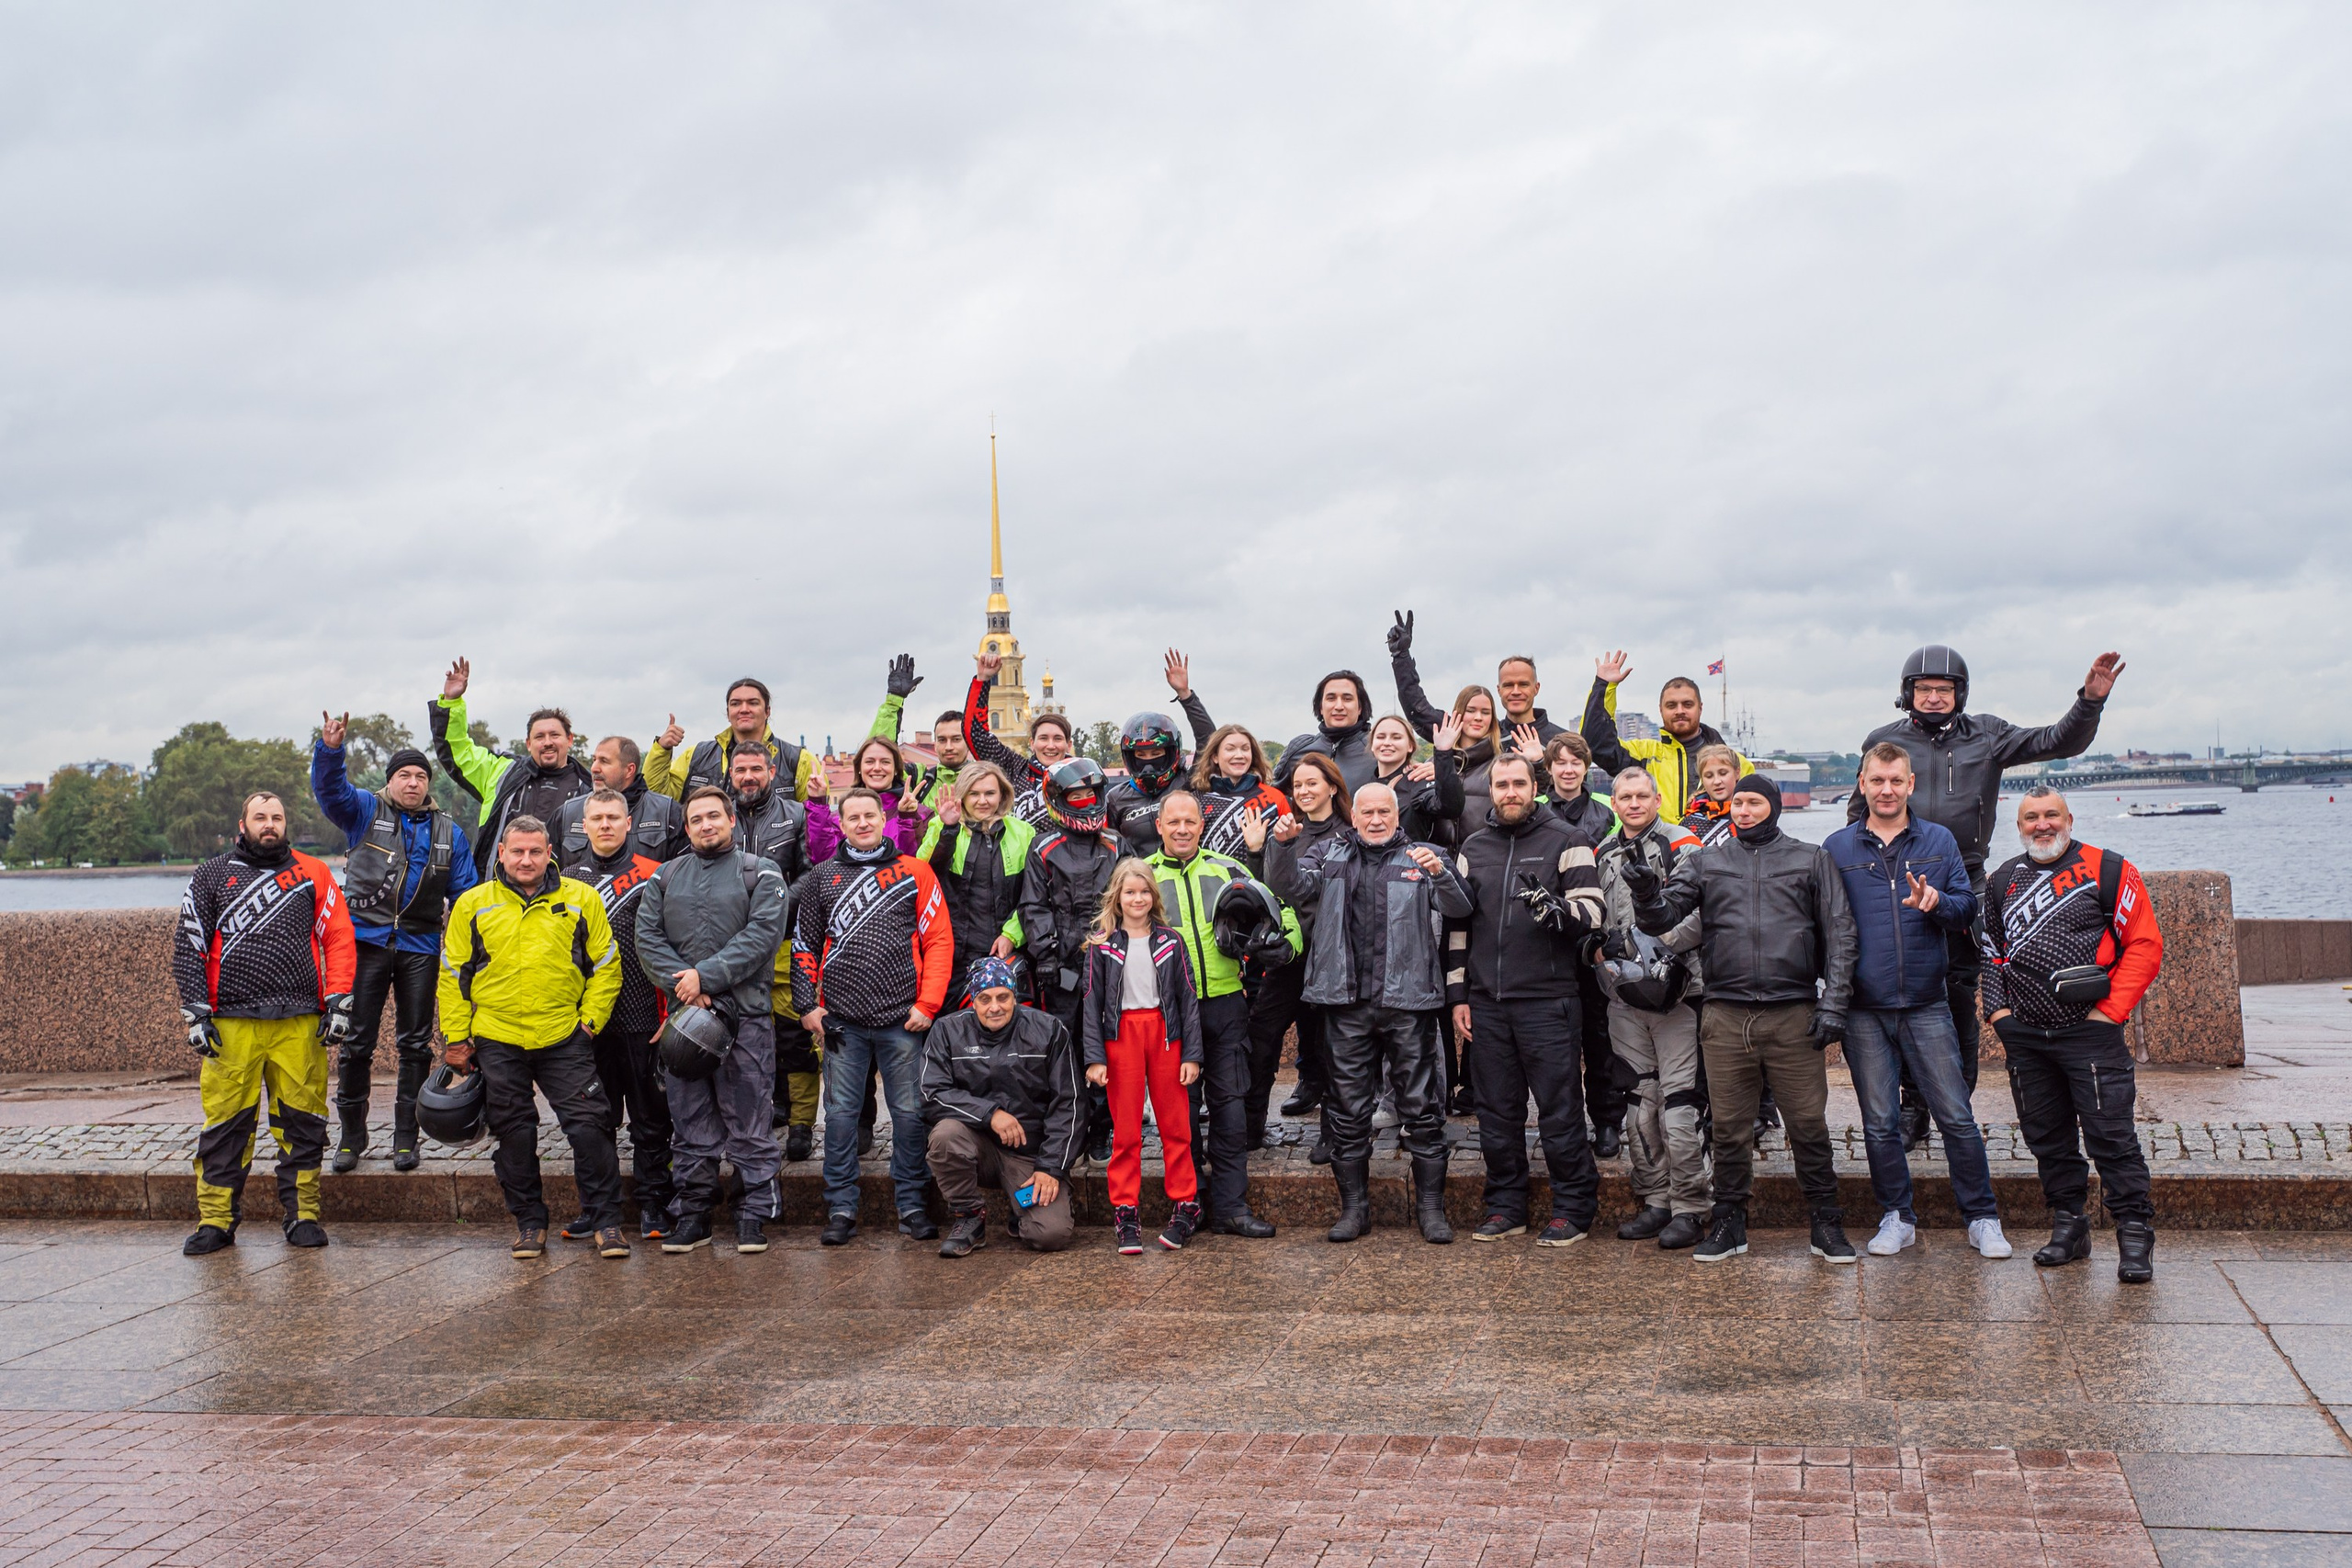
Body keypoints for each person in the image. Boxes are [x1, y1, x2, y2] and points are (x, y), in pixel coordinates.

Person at [1851, 647, 2124, 1142]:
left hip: (1965, 879)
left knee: (1959, 991)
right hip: (1898, 878)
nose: (1934, 698)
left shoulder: (1988, 734)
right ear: (1907, 693)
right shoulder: (1883, 741)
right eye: (1924, 689)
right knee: (1904, 990)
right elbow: (1858, 815)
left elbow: (2056, 741)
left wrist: (2089, 702)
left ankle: (1955, 1098)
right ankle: (1913, 1104)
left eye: (1945, 690)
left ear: (1961, 693)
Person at [1630, 774, 1858, 1266]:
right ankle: (1730, 1220)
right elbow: (1663, 919)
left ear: (1772, 807)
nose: (1744, 810)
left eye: (1754, 802)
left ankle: (1825, 1220)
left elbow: (1840, 933)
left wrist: (1835, 1002)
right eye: (1738, 803)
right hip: (1726, 1014)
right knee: (1729, 1127)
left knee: (1807, 1124)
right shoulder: (1708, 861)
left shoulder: (1810, 858)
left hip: (1792, 1012)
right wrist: (1648, 894)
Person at [1826, 744, 2007, 1260]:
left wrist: (1937, 903)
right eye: (1877, 781)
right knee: (1880, 1121)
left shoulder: (1938, 840)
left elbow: (1966, 907)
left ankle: (1982, 1217)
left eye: (1896, 781)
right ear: (1862, 783)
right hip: (1864, 1007)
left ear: (1910, 786)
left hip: (1927, 1001)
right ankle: (1896, 1216)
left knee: (1955, 1115)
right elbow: (1824, 923)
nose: (1886, 790)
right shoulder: (1838, 848)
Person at [1273, 782, 1472, 1245]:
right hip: (1346, 1003)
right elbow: (1290, 886)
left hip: (1409, 1002)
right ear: (1355, 815)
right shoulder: (1328, 853)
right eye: (1368, 812)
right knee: (1347, 1110)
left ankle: (1431, 1210)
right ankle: (1354, 1210)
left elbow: (1462, 906)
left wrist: (1440, 873)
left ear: (1397, 815)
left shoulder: (1424, 855)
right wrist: (1283, 847)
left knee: (1422, 1110)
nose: (1377, 819)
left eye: (1385, 811)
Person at [1983, 786, 2164, 1283]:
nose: (2042, 825)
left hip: (2091, 1032)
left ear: (2069, 818)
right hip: (2027, 1036)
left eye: (2051, 815)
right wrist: (1998, 1013)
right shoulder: (2002, 881)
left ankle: (2133, 1233)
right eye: (2031, 818)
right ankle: (2070, 1226)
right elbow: (1991, 953)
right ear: (2018, 827)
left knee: (2111, 1137)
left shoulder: (2109, 869)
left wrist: (2109, 1012)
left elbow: (2144, 946)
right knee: (2048, 1138)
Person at [436, 816, 628, 1261]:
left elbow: (606, 967)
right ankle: (529, 1223)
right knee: (514, 1133)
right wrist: (457, 1037)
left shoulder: (581, 899)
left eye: (535, 851)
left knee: (590, 1128)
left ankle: (606, 1222)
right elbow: (453, 975)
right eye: (517, 851)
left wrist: (589, 1023)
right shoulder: (473, 904)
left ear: (549, 853)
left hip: (564, 1035)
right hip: (497, 1038)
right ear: (501, 852)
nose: (526, 860)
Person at [173, 792, 356, 1257]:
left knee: (303, 1123)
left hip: (299, 1020)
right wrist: (195, 1011)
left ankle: (303, 1215)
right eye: (260, 817)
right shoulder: (211, 873)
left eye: (276, 817)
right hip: (230, 1023)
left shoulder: (313, 872)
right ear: (243, 823)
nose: (269, 824)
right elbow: (188, 943)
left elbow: (337, 937)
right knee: (226, 1127)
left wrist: (338, 1003)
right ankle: (215, 1221)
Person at [1446, 754, 1606, 1247]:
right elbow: (1458, 926)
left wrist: (1555, 908)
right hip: (1487, 1002)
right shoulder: (1474, 846)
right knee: (1496, 1112)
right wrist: (1458, 995)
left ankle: (1575, 1208)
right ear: (1491, 790)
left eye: (1519, 783)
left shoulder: (1567, 839)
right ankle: (1506, 1205)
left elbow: (1594, 915)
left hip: (1548, 1001)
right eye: (1501, 784)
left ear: (1534, 786)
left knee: (1559, 1110)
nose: (1510, 792)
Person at [310, 715, 477, 1175]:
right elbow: (330, 792)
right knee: (356, 1043)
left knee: (416, 1045)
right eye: (404, 774)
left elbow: (465, 897)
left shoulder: (449, 832)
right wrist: (330, 751)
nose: (414, 782)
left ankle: (407, 1139)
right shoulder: (364, 811)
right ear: (390, 781)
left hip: (420, 947)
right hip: (364, 941)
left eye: (421, 775)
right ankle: (351, 1137)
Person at [793, 787, 956, 1246]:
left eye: (870, 815)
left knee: (908, 1115)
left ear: (883, 819)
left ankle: (912, 1204)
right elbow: (804, 944)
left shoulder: (915, 872)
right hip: (841, 1020)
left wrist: (927, 1005)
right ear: (841, 824)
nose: (863, 823)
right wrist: (808, 1006)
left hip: (902, 1019)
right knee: (841, 1117)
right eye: (853, 817)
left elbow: (939, 941)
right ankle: (841, 1207)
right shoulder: (823, 877)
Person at [637, 785, 791, 1254]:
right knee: (690, 1121)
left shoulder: (762, 873)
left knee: (750, 1119)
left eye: (713, 817)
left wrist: (704, 977)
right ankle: (695, 1213)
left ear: (731, 822)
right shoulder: (665, 877)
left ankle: (752, 1213)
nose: (706, 825)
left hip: (745, 1020)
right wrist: (685, 987)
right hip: (686, 1021)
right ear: (687, 828)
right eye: (696, 819)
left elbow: (763, 936)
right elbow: (648, 938)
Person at [1149, 791, 1295, 1237]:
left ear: (1200, 825)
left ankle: (1232, 1206)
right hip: (1170, 1011)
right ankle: (1188, 1207)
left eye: (1189, 822)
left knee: (1231, 1112)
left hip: (1226, 1004)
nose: (1181, 829)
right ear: (1159, 826)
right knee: (1182, 1116)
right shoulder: (1141, 876)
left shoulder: (1225, 869)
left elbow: (1281, 912)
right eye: (1172, 822)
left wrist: (1286, 945)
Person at [1592, 769, 1710, 1248]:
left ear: (1658, 798)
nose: (1634, 803)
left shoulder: (1684, 844)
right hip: (1623, 997)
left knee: (1680, 1107)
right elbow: (1598, 915)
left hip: (1678, 993)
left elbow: (1702, 913)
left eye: (1643, 796)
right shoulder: (1604, 851)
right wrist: (1599, 948)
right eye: (1626, 797)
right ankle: (1656, 1198)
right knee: (1639, 1104)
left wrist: (1653, 950)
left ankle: (1691, 1205)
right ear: (1614, 802)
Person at [560, 788, 674, 1242]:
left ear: (629, 824)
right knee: (593, 1123)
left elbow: (670, 946)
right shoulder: (564, 879)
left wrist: (672, 1010)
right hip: (585, 1024)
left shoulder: (654, 876)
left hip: (643, 1015)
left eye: (613, 817)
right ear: (583, 826)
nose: (605, 825)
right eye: (597, 818)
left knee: (651, 1119)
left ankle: (654, 1205)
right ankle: (596, 1208)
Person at [1082, 861, 1205, 1253]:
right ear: (1117, 897)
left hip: (1165, 1035)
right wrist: (1095, 1057)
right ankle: (1126, 1211)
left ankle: (1186, 1204)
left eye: (1145, 891)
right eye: (1130, 892)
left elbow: (1188, 999)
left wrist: (1193, 1054)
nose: (1138, 899)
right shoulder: (1102, 944)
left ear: (1154, 896)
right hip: (1122, 1037)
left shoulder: (1171, 940)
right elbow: (1091, 1002)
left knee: (1175, 1124)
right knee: (1127, 1130)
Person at [922, 957, 1083, 1257]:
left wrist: (1050, 1167)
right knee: (945, 1135)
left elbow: (1070, 1104)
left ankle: (1020, 1206)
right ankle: (969, 1217)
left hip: (1031, 1154)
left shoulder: (1048, 1030)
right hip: (976, 1145)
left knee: (1050, 1235)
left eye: (1003, 997)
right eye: (985, 999)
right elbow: (931, 1094)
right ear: (973, 1000)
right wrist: (990, 1114)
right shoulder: (946, 1031)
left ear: (1015, 995)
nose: (994, 1007)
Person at [1020, 757, 1122, 1163]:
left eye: (1090, 794)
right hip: (1059, 968)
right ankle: (1067, 1131)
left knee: (1107, 1050)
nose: (1085, 801)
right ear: (1060, 800)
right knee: (1062, 1052)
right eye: (1075, 795)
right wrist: (1044, 956)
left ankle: (1101, 1130)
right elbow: (1033, 904)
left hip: (1109, 964)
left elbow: (1129, 895)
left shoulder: (1115, 842)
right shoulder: (1044, 846)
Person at [724, 747, 815, 1160]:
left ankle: (801, 1123)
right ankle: (755, 1116)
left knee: (795, 1037)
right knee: (741, 1036)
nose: (747, 776)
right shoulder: (718, 815)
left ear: (772, 771)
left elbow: (811, 871)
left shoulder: (795, 815)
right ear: (730, 773)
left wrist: (772, 905)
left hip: (784, 942)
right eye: (740, 769)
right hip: (732, 944)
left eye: (755, 769)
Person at [1540, 731, 1625, 1159]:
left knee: (1600, 1037)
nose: (1569, 769)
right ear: (1550, 768)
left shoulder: (1606, 810)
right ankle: (1566, 1123)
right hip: (1549, 939)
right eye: (1561, 762)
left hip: (1596, 936)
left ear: (1586, 767)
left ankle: (1608, 1121)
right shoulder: (1536, 809)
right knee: (1556, 1044)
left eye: (1577, 762)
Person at [1260, 752, 1351, 1148]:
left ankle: (1334, 1133)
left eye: (1313, 783)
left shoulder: (1349, 833)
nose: (1304, 791)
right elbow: (1274, 885)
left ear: (1332, 786)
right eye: (1297, 785)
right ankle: (1249, 1125)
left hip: (1330, 954)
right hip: (1288, 953)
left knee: (1329, 1042)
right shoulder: (1286, 831)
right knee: (1262, 1033)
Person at [430, 658, 594, 875]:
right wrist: (452, 702)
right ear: (528, 743)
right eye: (539, 737)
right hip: (497, 892)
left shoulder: (590, 790)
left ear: (570, 740)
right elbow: (458, 752)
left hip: (559, 898)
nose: (547, 742)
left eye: (554, 735)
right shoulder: (501, 771)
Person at [1580, 651, 1751, 823]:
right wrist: (1604, 687)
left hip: (1717, 848)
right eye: (1671, 705)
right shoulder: (1644, 754)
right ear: (1661, 710)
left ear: (1700, 708)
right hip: (1661, 847)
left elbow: (1758, 813)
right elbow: (1595, 745)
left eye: (1687, 704)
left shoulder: (1736, 763)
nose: (1679, 711)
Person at [919, 761, 1034, 1008]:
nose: (983, 801)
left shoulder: (1023, 833)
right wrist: (948, 829)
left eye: (990, 793)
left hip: (1006, 950)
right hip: (956, 955)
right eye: (974, 793)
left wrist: (1011, 935)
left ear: (1002, 794)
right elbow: (925, 874)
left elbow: (1033, 894)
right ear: (963, 795)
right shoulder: (942, 825)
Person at [1103, 650, 1218, 854]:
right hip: (1142, 883)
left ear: (1170, 752)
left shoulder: (1189, 783)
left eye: (1156, 753)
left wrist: (1186, 695)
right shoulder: (1115, 798)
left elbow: (1209, 741)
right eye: (1141, 755)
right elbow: (1112, 851)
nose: (1148, 762)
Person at [648, 675, 819, 803]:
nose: (744, 709)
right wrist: (662, 750)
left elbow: (816, 819)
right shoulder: (696, 756)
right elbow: (657, 798)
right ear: (728, 712)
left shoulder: (798, 760)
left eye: (753, 703)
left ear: (767, 711)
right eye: (736, 704)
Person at [964, 647, 1078, 826]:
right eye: (1043, 738)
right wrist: (982, 680)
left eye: (1057, 739)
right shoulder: (1015, 769)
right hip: (1023, 854)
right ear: (1032, 743)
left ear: (1068, 744)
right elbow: (975, 734)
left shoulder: (1082, 775)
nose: (1050, 745)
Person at [557, 735, 687, 866]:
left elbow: (684, 873)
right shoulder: (568, 813)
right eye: (594, 760)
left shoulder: (668, 813)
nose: (594, 768)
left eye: (604, 761)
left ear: (629, 770)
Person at [805, 735, 929, 863]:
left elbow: (914, 864)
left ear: (896, 769)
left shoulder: (921, 815)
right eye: (869, 762)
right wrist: (817, 803)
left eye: (885, 762)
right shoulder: (839, 818)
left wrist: (907, 817)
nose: (877, 768)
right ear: (859, 768)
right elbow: (824, 859)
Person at [866, 654, 967, 807]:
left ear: (968, 741)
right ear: (935, 744)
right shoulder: (919, 777)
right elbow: (878, 751)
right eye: (942, 740)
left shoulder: (981, 778)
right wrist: (894, 701)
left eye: (956, 739)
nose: (948, 747)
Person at [1192, 723, 1290, 871]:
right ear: (1215, 757)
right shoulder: (1197, 800)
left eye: (1245, 749)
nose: (1239, 755)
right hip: (1210, 888)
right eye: (1230, 749)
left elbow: (1290, 851)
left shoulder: (1274, 798)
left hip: (1263, 889)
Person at [1272, 670, 1377, 794]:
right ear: (1321, 707)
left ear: (1360, 707)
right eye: (1331, 698)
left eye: (1347, 699)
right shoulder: (1298, 749)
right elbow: (1274, 797)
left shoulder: (1376, 751)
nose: (1339, 706)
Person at [1369, 713, 1464, 843]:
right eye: (1380, 737)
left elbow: (1450, 808)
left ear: (1410, 746)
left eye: (1396, 738)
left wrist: (1443, 753)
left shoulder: (1418, 781)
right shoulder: (1364, 787)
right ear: (1372, 745)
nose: (1387, 743)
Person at [1679, 744, 1744, 849]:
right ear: (1702, 779)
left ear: (1737, 773)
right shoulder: (1690, 821)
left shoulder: (1747, 816)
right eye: (1709, 776)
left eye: (1723, 773)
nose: (1717, 781)